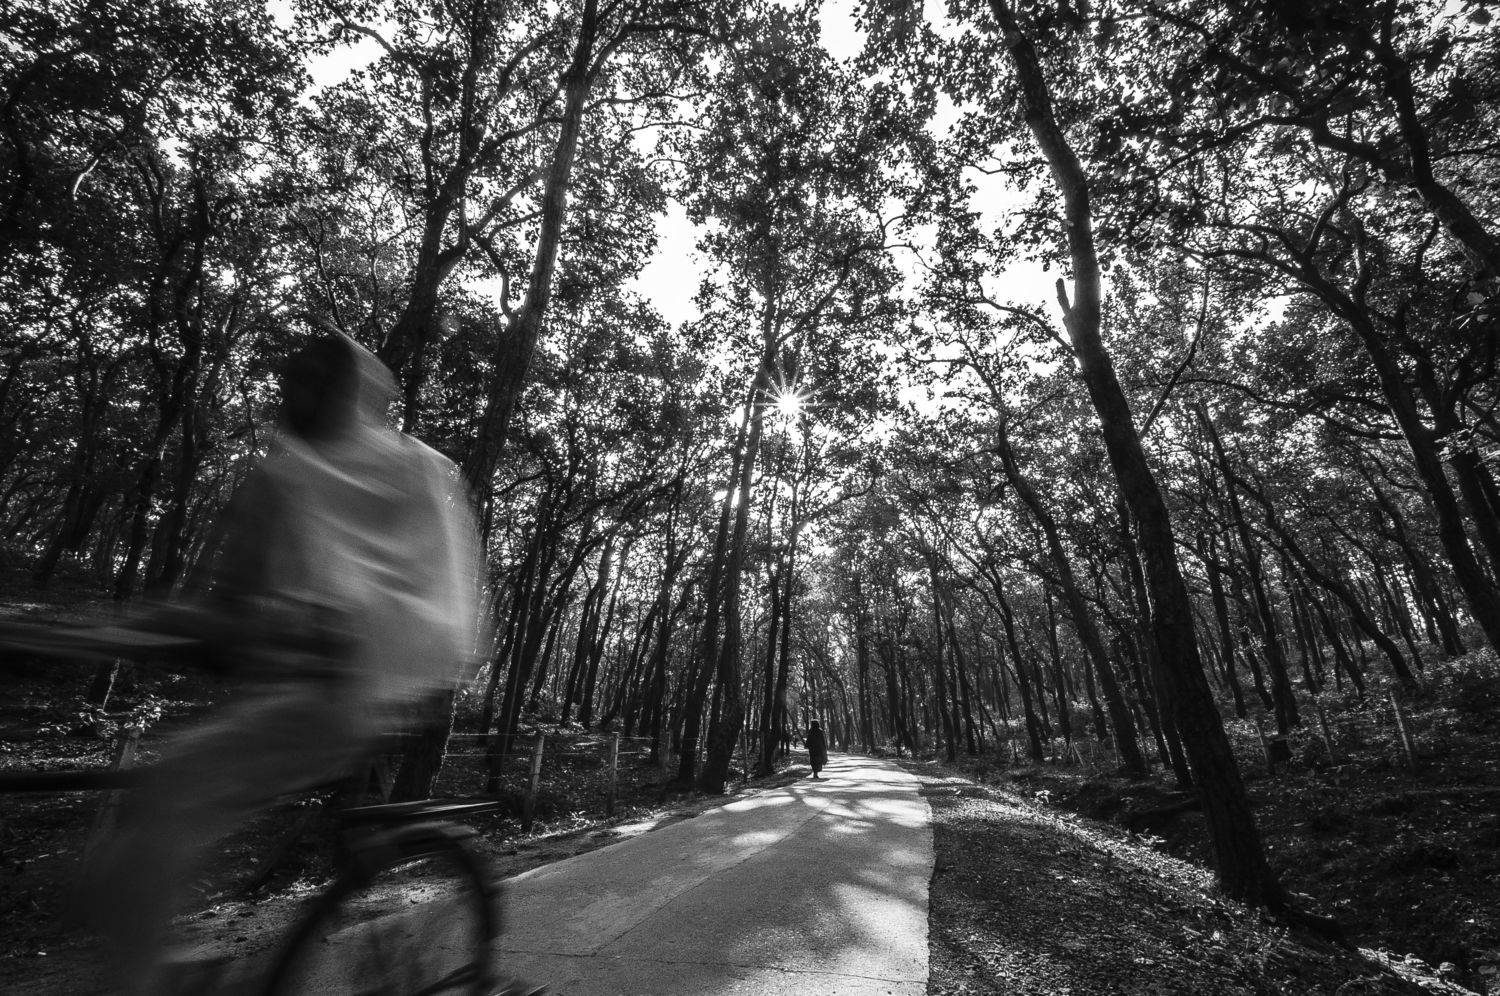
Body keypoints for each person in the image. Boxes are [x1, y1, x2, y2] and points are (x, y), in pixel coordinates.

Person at [89, 331, 482, 993]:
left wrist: (118, 632)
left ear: (346, 394)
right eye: (292, 381)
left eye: (314, 383)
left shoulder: (339, 471)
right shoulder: (363, 469)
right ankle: (184, 973)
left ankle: (174, 980)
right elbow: (236, 602)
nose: (294, 395)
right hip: (361, 686)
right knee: (139, 835)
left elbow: (237, 608)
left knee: (155, 810)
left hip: (343, 694)